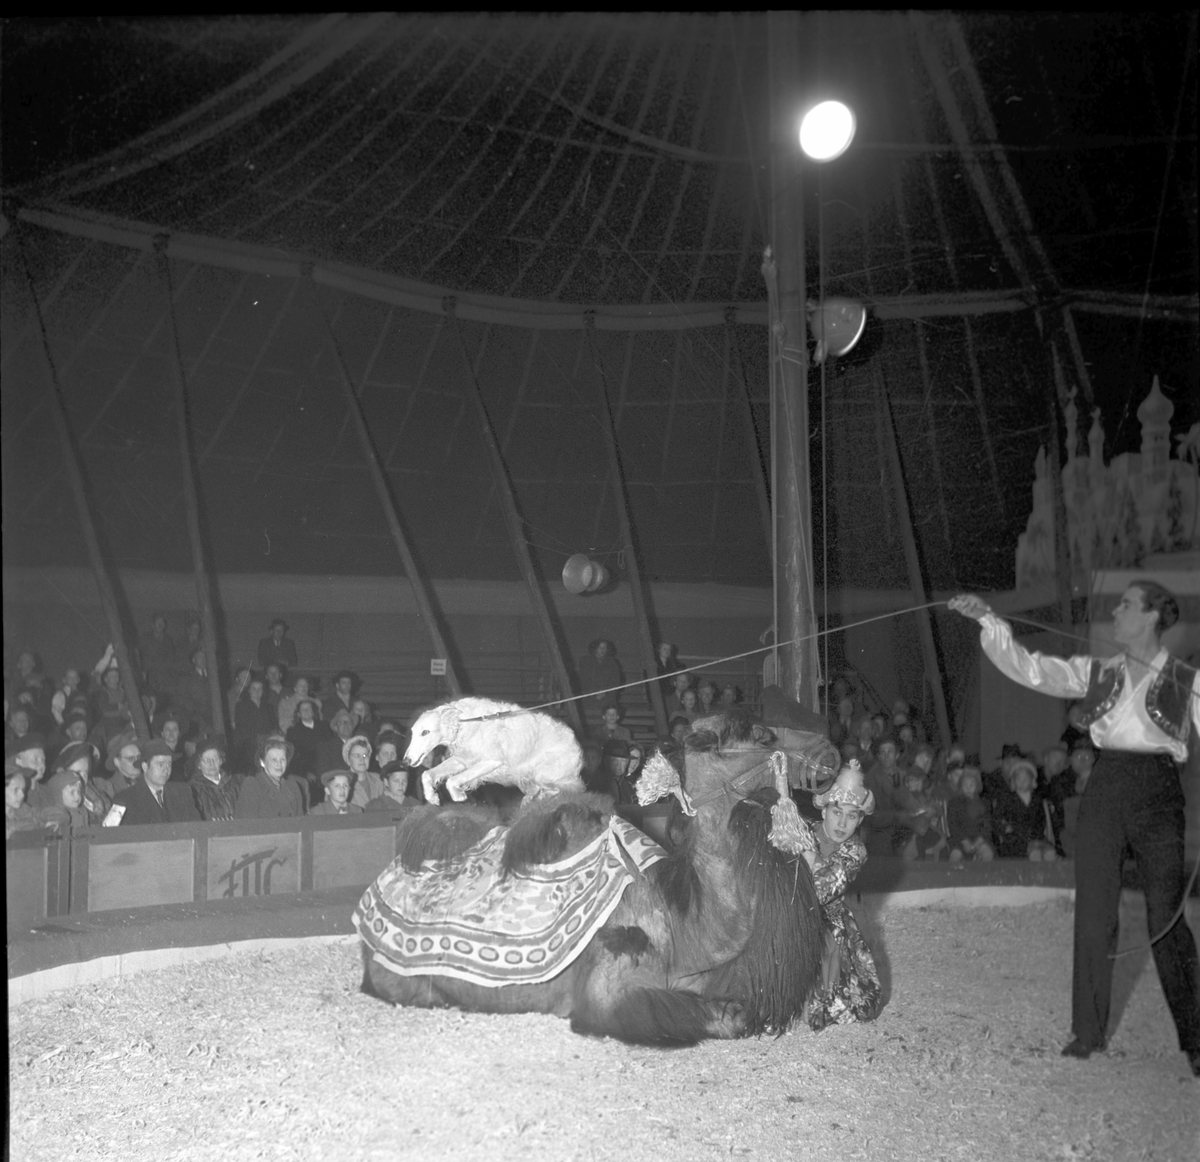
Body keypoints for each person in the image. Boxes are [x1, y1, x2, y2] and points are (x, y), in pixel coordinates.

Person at [950, 584, 1200, 1073]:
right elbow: (1033, 669)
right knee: (1093, 911)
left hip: (1158, 793)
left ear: (1152, 616)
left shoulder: (1188, 680)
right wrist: (988, 621)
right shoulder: (1099, 671)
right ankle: (1087, 1032)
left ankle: (1195, 1039)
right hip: (1105, 787)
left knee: (1166, 917)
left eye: (1126, 605)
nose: (1116, 611)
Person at [802, 760, 883, 1030]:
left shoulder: (855, 851)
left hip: (829, 920)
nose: (842, 823)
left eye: (852, 816)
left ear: (860, 820)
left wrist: (810, 859)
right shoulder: (802, 831)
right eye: (837, 812)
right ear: (824, 810)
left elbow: (823, 890)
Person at [113, 739, 201, 826]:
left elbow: (196, 827)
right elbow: (113, 832)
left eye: (169, 764)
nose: (166, 769)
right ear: (145, 766)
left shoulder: (182, 792)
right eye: (160, 764)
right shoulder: (125, 799)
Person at [235, 734, 306, 819]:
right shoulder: (252, 785)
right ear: (262, 762)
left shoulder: (293, 787)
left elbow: (301, 823)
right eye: (274, 760)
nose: (279, 764)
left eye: (282, 759)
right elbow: (246, 823)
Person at [946, 765, 994, 862]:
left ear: (977, 786)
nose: (968, 788)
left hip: (980, 840)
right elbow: (953, 826)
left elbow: (987, 826)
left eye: (971, 785)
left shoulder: (984, 803)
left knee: (987, 854)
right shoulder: (954, 803)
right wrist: (965, 842)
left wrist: (978, 842)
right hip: (959, 840)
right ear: (960, 786)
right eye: (965, 785)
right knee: (955, 856)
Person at [188, 737, 240, 822]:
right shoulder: (193, 789)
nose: (211, 763)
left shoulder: (234, 784)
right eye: (206, 760)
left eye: (214, 759)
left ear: (220, 761)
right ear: (198, 764)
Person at [578, 640, 622, 726]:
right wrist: (595, 693)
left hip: (608, 697)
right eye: (600, 647)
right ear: (595, 648)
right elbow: (584, 680)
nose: (603, 650)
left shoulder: (612, 662)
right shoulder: (585, 661)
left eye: (605, 648)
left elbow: (616, 680)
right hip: (590, 697)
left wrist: (605, 692)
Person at [345, 735, 383, 809]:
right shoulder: (342, 782)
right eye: (357, 756)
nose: (362, 759)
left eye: (365, 755)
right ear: (348, 759)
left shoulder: (379, 780)